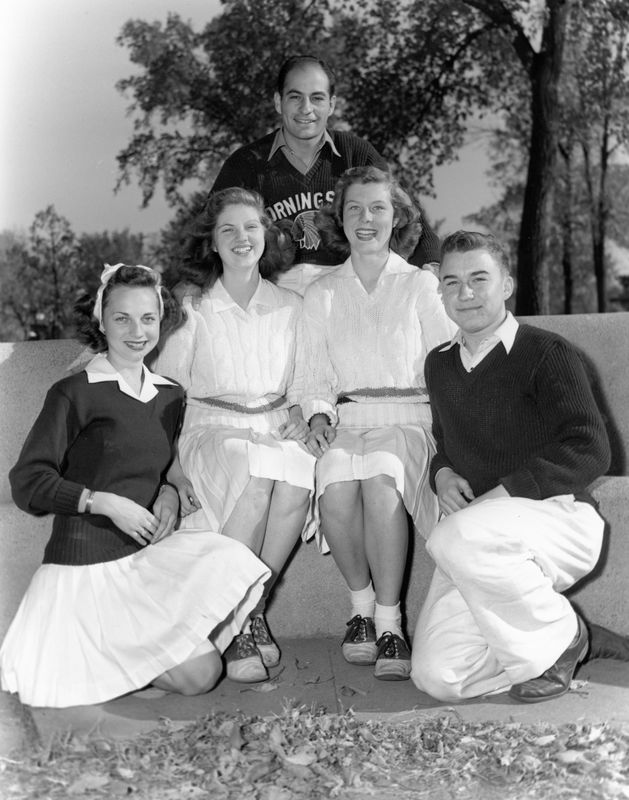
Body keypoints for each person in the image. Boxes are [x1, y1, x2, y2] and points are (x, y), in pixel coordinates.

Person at [0, 264, 269, 708]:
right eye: (121, 318)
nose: (136, 330)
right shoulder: (74, 392)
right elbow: (27, 482)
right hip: (82, 572)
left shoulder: (169, 395)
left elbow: (148, 460)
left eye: (147, 318)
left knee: (203, 673)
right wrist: (101, 502)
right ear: (101, 321)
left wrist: (167, 487)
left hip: (140, 565)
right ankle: (88, 660)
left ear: (161, 323)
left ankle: (108, 673)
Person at [410, 231, 611, 703]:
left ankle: (562, 639)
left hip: (556, 517)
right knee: (439, 677)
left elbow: (590, 447)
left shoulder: (547, 353)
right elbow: (443, 441)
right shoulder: (438, 364)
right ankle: (557, 634)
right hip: (480, 541)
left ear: (507, 285)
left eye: (480, 278)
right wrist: (441, 472)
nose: (465, 293)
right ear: (439, 292)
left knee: (450, 535)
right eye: (452, 282)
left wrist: (505, 492)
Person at [152, 188, 316, 683]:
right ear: (213, 242)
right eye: (229, 230)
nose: (242, 238)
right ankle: (240, 618)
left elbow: (307, 380)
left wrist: (304, 416)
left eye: (250, 227)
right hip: (209, 429)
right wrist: (172, 471)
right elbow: (165, 394)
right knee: (253, 470)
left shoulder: (291, 304)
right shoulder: (194, 307)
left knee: (299, 472)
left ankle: (250, 608)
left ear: (266, 234)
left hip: (272, 425)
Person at [301, 166, 456, 681]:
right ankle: (361, 609)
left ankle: (391, 622)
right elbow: (311, 372)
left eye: (378, 208)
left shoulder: (419, 285)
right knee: (336, 485)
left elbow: (447, 358)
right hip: (348, 419)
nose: (365, 219)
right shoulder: (322, 291)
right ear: (339, 220)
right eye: (354, 209)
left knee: (382, 477)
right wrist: (318, 413)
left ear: (398, 217)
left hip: (409, 418)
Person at [210, 54, 441, 295]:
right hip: (274, 289)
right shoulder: (246, 162)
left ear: (331, 104)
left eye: (317, 98)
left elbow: (404, 213)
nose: (306, 108)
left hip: (347, 284)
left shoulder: (355, 153)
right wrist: (193, 281)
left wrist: (432, 262)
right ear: (278, 102)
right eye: (295, 97)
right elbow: (209, 229)